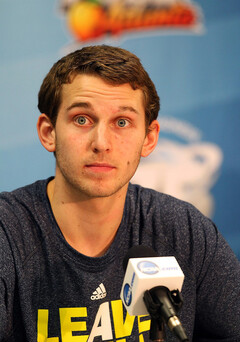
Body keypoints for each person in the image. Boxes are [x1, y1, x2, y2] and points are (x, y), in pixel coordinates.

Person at [0, 45, 239, 342]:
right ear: (49, 132)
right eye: (82, 119)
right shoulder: (7, 233)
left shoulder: (185, 231)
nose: (101, 143)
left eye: (122, 122)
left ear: (149, 139)